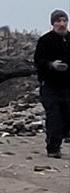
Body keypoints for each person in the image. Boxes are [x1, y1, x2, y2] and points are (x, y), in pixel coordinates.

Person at [35, 9, 70, 158]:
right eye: (58, 21)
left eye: (64, 21)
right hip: (50, 85)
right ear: (53, 23)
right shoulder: (45, 40)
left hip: (68, 86)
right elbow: (38, 61)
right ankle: (53, 148)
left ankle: (62, 137)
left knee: (67, 117)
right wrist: (51, 65)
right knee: (54, 117)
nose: (61, 24)